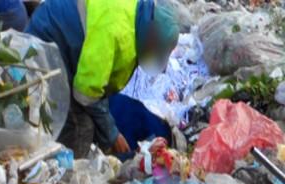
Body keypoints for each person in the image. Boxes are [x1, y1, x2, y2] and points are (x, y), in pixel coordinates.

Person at [26, 0, 180, 157]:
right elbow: (86, 91)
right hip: (45, 48)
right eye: (155, 50)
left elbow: (99, 82)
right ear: (152, 38)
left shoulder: (135, 15)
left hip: (54, 31)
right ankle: (69, 175)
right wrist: (112, 135)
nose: (152, 55)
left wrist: (109, 133)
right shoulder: (119, 34)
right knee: (81, 128)